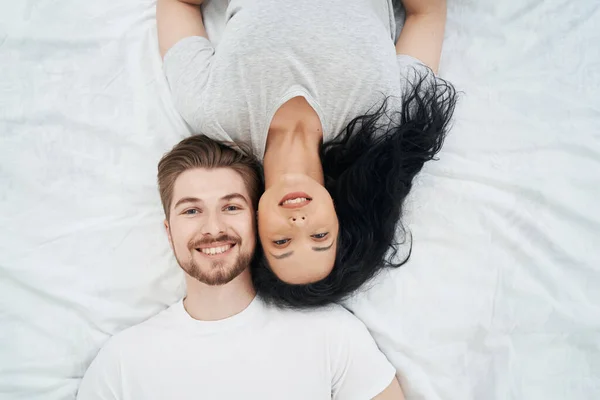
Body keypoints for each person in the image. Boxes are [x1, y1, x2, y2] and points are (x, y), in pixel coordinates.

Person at [158, 0, 457, 307]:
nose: (299, 222)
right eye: (319, 236)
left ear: (256, 226)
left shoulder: (211, 111)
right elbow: (427, 14)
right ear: (337, 217)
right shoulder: (386, 122)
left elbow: (177, 4)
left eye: (281, 241)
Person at [76, 135, 404, 399]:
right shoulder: (121, 363)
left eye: (231, 206)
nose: (213, 227)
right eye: (191, 211)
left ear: (256, 220)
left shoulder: (331, 333)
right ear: (168, 231)